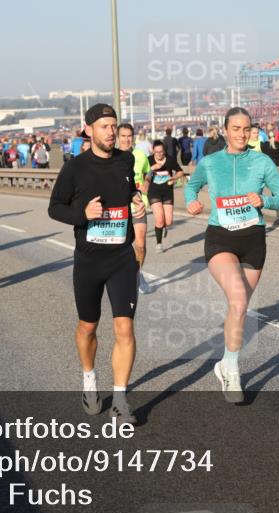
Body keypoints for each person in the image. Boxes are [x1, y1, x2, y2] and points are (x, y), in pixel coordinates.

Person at [185, 107, 279, 403]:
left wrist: (265, 200)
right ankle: (232, 369)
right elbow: (191, 185)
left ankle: (223, 362)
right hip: (220, 237)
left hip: (254, 240)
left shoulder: (262, 162)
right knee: (239, 299)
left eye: (247, 129)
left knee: (239, 309)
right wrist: (191, 201)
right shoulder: (210, 162)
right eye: (236, 129)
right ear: (225, 130)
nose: (242, 134)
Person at [48, 104, 146, 424]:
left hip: (121, 257)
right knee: (88, 327)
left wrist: (135, 200)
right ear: (88, 130)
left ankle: (119, 399)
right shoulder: (75, 168)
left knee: (125, 327)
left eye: (113, 126)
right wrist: (81, 215)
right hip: (89, 259)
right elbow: (55, 208)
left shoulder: (126, 160)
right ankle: (89, 378)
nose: (110, 132)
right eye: (104, 126)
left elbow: (128, 188)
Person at [118, 123, 152, 294]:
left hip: (138, 206)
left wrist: (146, 182)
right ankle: (124, 274)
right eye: (122, 136)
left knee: (140, 244)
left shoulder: (140, 155)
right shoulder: (112, 157)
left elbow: (149, 171)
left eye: (129, 136)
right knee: (122, 246)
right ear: (118, 138)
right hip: (119, 209)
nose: (126, 140)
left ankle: (137, 275)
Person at [147, 139, 184, 253]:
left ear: (164, 151)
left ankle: (164, 227)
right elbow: (144, 175)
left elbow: (180, 172)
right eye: (157, 152)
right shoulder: (149, 160)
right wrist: (151, 169)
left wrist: (174, 178)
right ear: (153, 151)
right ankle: (159, 244)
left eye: (161, 151)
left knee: (168, 221)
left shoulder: (170, 160)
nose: (159, 154)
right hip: (154, 191)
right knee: (159, 219)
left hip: (167, 191)